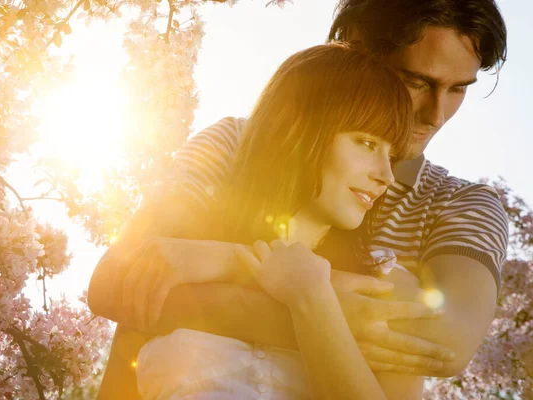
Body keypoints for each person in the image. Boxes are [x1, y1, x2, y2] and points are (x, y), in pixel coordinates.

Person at [89, 0, 509, 398]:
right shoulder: (234, 144)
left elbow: (441, 343)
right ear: (355, 50)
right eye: (418, 82)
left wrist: (234, 267)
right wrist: (328, 304)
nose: (436, 115)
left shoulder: (460, 205)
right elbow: (120, 282)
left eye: (458, 90)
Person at [134, 43, 421, 400]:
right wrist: (237, 263)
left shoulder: (388, 287)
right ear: (297, 129)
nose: (387, 176)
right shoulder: (186, 250)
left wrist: (313, 295)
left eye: (392, 155)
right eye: (366, 143)